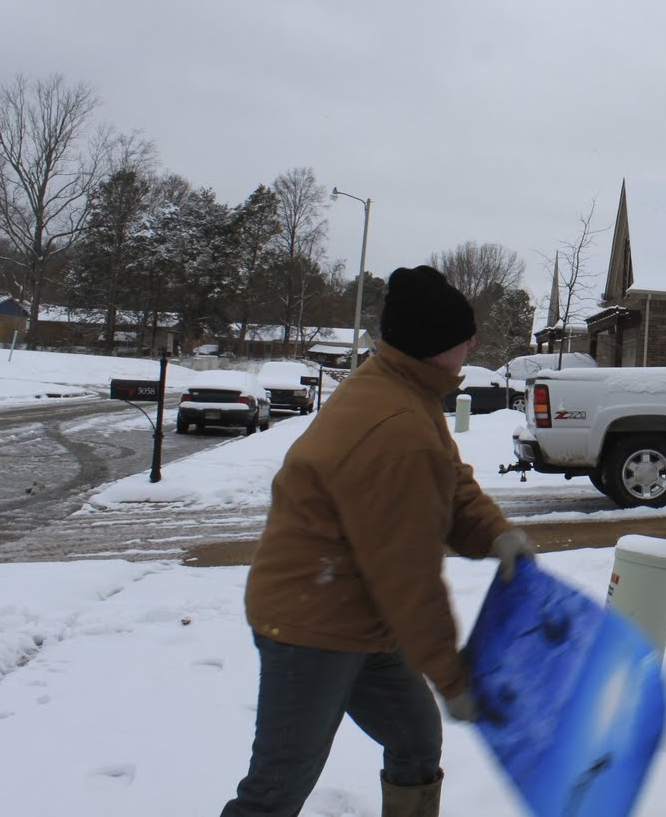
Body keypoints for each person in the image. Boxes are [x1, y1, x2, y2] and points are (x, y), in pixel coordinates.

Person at [220, 265, 534, 817]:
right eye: (465, 337)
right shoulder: (396, 426)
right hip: (311, 621)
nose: (472, 345)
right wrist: (453, 679)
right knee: (275, 791)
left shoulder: (402, 387)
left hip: (362, 616)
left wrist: (495, 535)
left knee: (416, 741)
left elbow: (451, 479)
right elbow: (408, 576)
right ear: (435, 345)